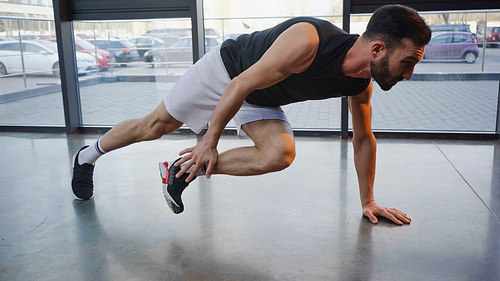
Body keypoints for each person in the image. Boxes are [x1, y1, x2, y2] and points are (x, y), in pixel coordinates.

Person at [72, 4, 431, 225]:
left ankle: (178, 173)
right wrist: (209, 142)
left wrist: (368, 200)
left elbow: (363, 139)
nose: (409, 74)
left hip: (258, 96)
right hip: (226, 74)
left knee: (280, 153)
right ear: (379, 49)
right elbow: (239, 84)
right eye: (408, 62)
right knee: (156, 126)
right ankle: (86, 156)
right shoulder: (308, 40)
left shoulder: (360, 84)